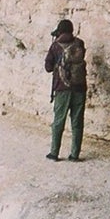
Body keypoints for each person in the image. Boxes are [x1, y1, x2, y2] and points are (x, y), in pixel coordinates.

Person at [44, 18, 88, 161]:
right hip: (80, 88)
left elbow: (48, 67)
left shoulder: (55, 46)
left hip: (62, 88)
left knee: (58, 121)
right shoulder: (80, 43)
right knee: (77, 122)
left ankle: (54, 153)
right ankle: (75, 154)